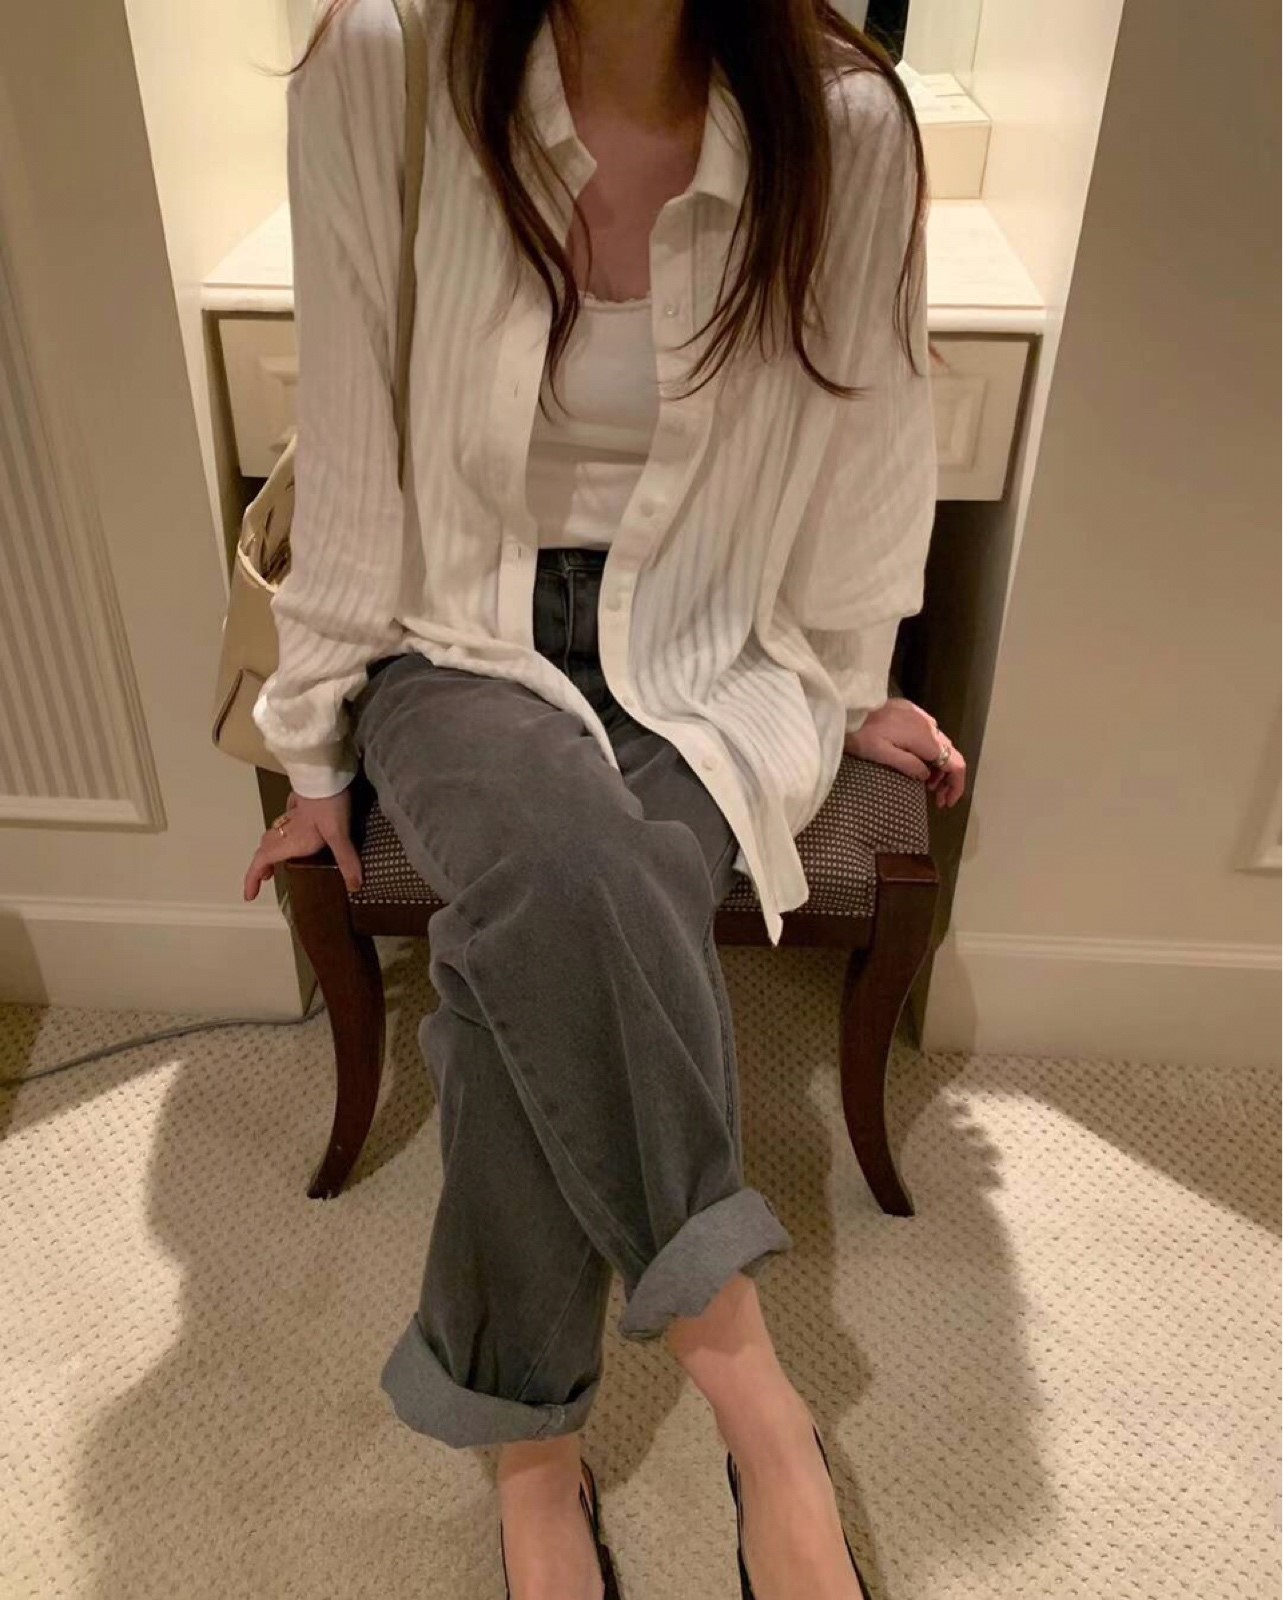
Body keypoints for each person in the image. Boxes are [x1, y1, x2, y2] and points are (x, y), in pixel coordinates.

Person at [243, 1, 966, 1596]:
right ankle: (754, 1394)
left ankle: (531, 1453)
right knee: (573, 879)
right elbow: (347, 436)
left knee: (559, 936)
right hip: (458, 644)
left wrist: (851, 683)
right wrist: (310, 745)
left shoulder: (845, 125)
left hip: (717, 653)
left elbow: (872, 437)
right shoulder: (385, 61)